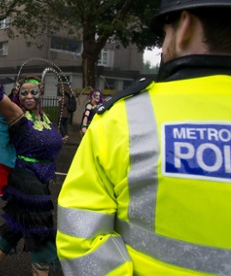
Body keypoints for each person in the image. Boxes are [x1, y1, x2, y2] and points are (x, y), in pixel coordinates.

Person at [56, 0, 231, 275]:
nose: (163, 46)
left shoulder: (123, 118)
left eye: (164, 34)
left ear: (185, 26)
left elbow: (81, 239)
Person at [0, 49, 63, 276]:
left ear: (40, 94)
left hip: (40, 179)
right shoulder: (17, 115)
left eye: (34, 92)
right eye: (24, 93)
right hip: (26, 179)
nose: (29, 96)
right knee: (42, 233)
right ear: (19, 95)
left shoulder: (44, 117)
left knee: (15, 226)